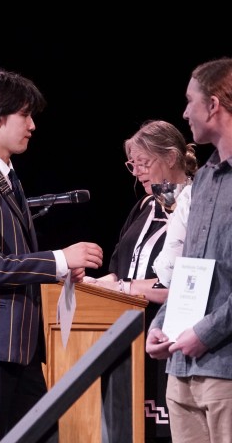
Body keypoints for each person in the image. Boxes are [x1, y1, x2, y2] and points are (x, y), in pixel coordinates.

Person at [0, 68, 104, 443]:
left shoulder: (5, 179)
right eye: (24, 115)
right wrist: (60, 258)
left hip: (17, 346)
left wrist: (59, 272)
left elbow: (15, 261)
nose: (32, 125)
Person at [83, 119, 198, 442]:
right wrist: (85, 285)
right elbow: (119, 271)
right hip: (127, 342)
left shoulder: (197, 206)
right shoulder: (143, 207)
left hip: (168, 341)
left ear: (172, 157)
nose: (137, 172)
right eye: (132, 165)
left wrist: (122, 289)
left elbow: (183, 285)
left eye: (144, 163)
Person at [146, 57, 232, 443]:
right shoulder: (205, 181)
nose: (184, 112)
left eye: (189, 101)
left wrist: (205, 332)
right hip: (182, 371)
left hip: (225, 371)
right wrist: (162, 323)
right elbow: (187, 268)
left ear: (214, 104)